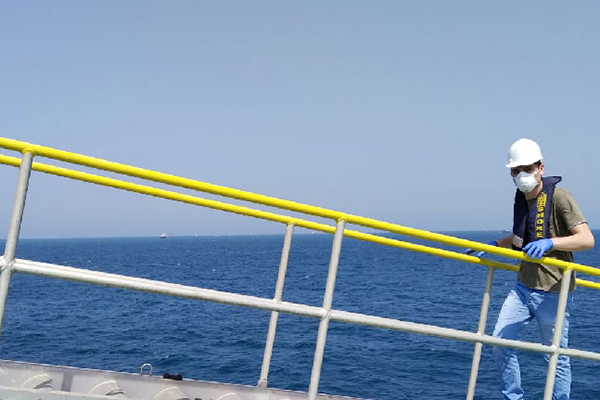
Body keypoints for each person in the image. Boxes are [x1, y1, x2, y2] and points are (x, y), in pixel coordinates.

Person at [487, 138, 594, 400]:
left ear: (541, 168)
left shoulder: (560, 198)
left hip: (554, 290)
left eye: (528, 168)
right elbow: (520, 239)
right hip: (523, 287)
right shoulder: (522, 199)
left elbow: (586, 239)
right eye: (516, 170)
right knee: (500, 343)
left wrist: (551, 243)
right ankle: (513, 397)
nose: (522, 175)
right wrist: (494, 245)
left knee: (555, 356)